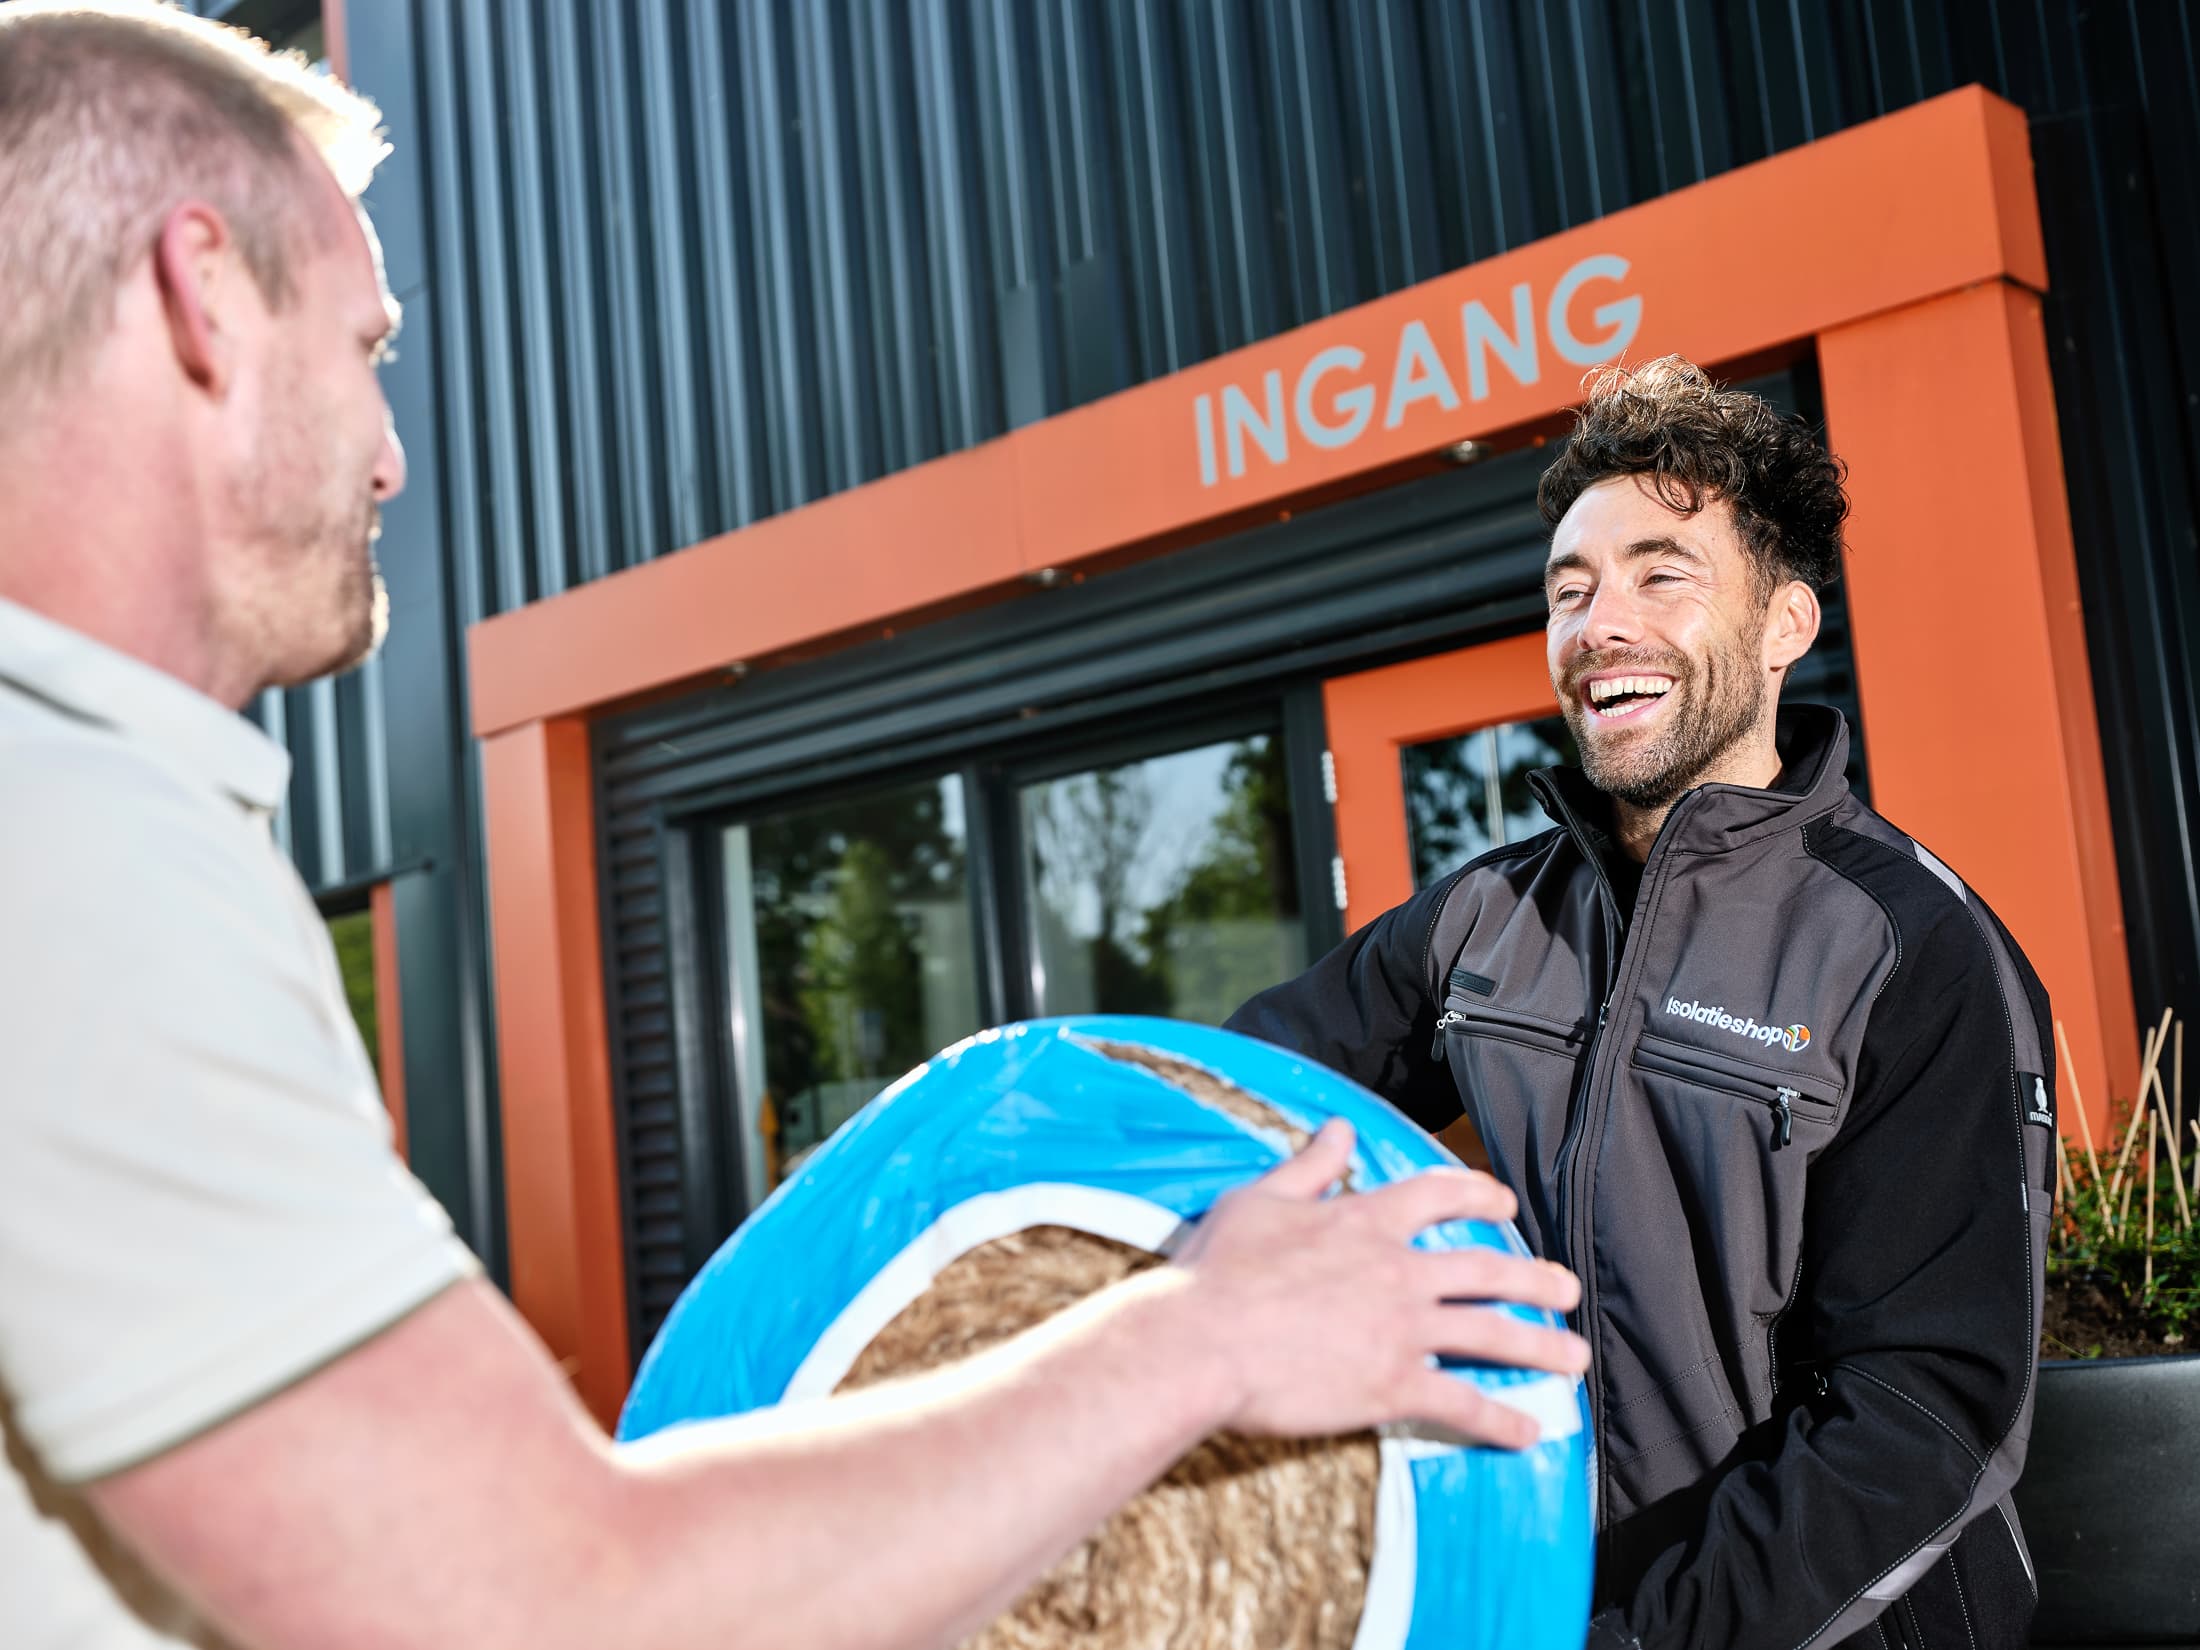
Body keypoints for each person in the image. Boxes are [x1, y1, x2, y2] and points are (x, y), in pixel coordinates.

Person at [0, 5, 1591, 1648]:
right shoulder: (83, 853)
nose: (394, 457)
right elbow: (548, 1608)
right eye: (366, 349)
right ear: (202, 294)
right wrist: (1206, 1336)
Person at [1232, 357, 2056, 1650]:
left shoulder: (1909, 945)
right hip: (1535, 1600)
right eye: (1570, 589)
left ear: (1785, 624)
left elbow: (1924, 1416)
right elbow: (1235, 1093)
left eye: (1661, 574)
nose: (1599, 624)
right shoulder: (1484, 918)